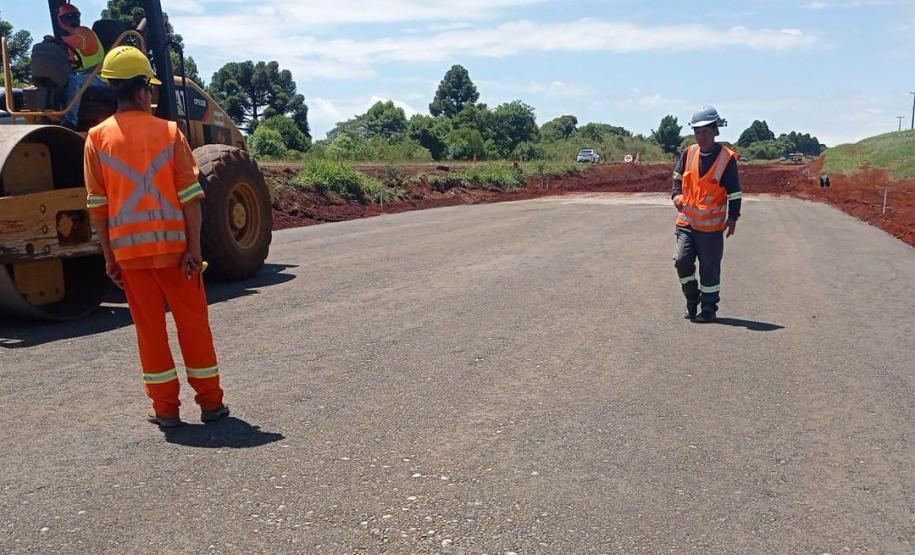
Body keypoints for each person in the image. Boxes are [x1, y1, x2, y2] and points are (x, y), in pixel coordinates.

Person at [84, 46, 229, 428]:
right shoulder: (169, 132)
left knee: (150, 333)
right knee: (193, 325)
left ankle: (166, 410)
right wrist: (195, 248)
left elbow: (98, 208)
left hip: (132, 257)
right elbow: (190, 198)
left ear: (114, 89)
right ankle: (211, 404)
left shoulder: (96, 139)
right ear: (145, 90)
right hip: (175, 252)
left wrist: (110, 257)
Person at [671, 105, 742, 323]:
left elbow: (735, 192)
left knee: (709, 269)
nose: (701, 137)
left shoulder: (726, 159)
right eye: (697, 132)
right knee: (682, 261)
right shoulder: (689, 152)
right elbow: (677, 176)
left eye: (706, 132)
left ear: (716, 131)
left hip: (711, 228)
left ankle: (709, 308)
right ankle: (692, 298)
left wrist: (733, 218)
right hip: (687, 223)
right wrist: (676, 195)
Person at [58, 3, 106, 129]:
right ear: (61, 20)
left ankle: (70, 122)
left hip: (100, 77)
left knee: (74, 81)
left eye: (74, 16)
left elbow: (76, 41)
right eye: (67, 17)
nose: (71, 19)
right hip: (86, 77)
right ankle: (55, 115)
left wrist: (55, 41)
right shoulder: (69, 41)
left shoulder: (84, 32)